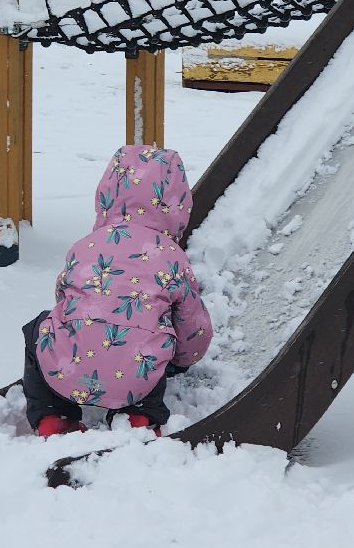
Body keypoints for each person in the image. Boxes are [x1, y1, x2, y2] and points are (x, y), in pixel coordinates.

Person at [22, 144, 214, 438]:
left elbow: (64, 300)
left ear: (107, 194)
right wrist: (182, 359)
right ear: (176, 203)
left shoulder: (85, 244)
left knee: (37, 326)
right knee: (156, 331)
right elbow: (191, 326)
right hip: (138, 376)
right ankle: (140, 415)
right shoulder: (171, 256)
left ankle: (53, 414)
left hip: (65, 369)